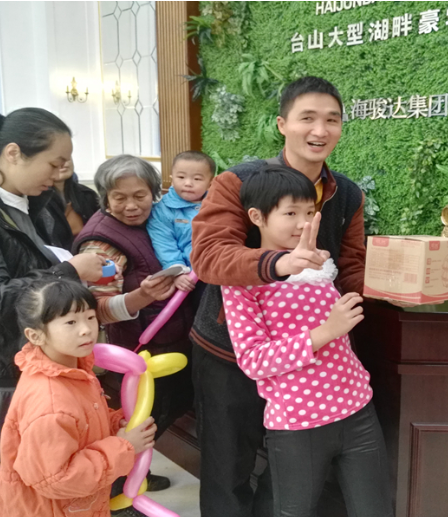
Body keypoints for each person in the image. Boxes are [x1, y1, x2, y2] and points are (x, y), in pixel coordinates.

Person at [189, 76, 366, 517]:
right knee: (227, 469)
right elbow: (209, 256)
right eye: (308, 118)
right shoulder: (239, 181)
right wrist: (279, 264)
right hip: (231, 353)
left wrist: (396, 289)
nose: (320, 130)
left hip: (307, 366)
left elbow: (352, 266)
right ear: (282, 124)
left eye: (332, 120)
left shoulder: (346, 194)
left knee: (289, 475)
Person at [0, 107, 108, 517]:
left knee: (23, 486)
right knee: (14, 489)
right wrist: (70, 270)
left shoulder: (27, 202)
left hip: (25, 356)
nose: (60, 174)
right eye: (54, 162)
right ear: (13, 153)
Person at [223, 166, 392, 517]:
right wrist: (325, 332)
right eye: (290, 213)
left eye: (309, 212)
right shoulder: (243, 280)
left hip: (358, 409)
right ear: (257, 217)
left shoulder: (321, 265)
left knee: (375, 509)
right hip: (298, 425)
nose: (303, 223)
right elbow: (253, 360)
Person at [72, 155, 194, 513]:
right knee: (142, 418)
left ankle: (133, 476)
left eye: (140, 196)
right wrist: (142, 296)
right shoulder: (103, 243)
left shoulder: (156, 218)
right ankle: (115, 493)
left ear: (155, 193)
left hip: (166, 342)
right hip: (139, 353)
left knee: (164, 408)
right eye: (119, 197)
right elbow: (97, 308)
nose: (131, 206)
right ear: (104, 198)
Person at [0, 279, 157, 517]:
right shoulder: (50, 402)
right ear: (35, 336)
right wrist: (124, 447)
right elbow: (58, 479)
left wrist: (114, 424)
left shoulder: (71, 370)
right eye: (70, 322)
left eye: (90, 317)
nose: (86, 329)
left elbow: (80, 425)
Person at [146, 150, 214, 300]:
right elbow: (164, 243)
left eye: (197, 179)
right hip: (190, 276)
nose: (188, 183)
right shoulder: (162, 210)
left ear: (210, 183)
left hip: (220, 268)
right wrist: (177, 272)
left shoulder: (218, 204)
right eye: (181, 177)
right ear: (172, 178)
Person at [37, 157, 100, 250]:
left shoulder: (87, 194)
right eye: (57, 158)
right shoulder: (35, 199)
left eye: (67, 156)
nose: (64, 163)